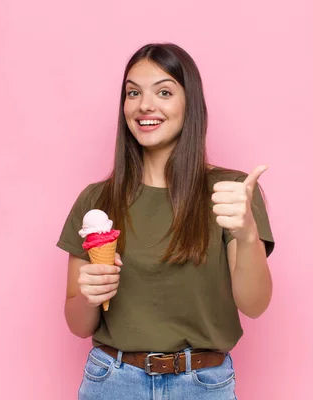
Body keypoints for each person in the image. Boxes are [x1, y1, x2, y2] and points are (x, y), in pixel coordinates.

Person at [57, 43, 275, 400]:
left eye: (164, 91)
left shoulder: (232, 192)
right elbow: (77, 324)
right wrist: (90, 294)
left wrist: (247, 233)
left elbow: (255, 304)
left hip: (203, 385)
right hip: (111, 382)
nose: (145, 105)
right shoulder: (95, 200)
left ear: (190, 104)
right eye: (133, 93)